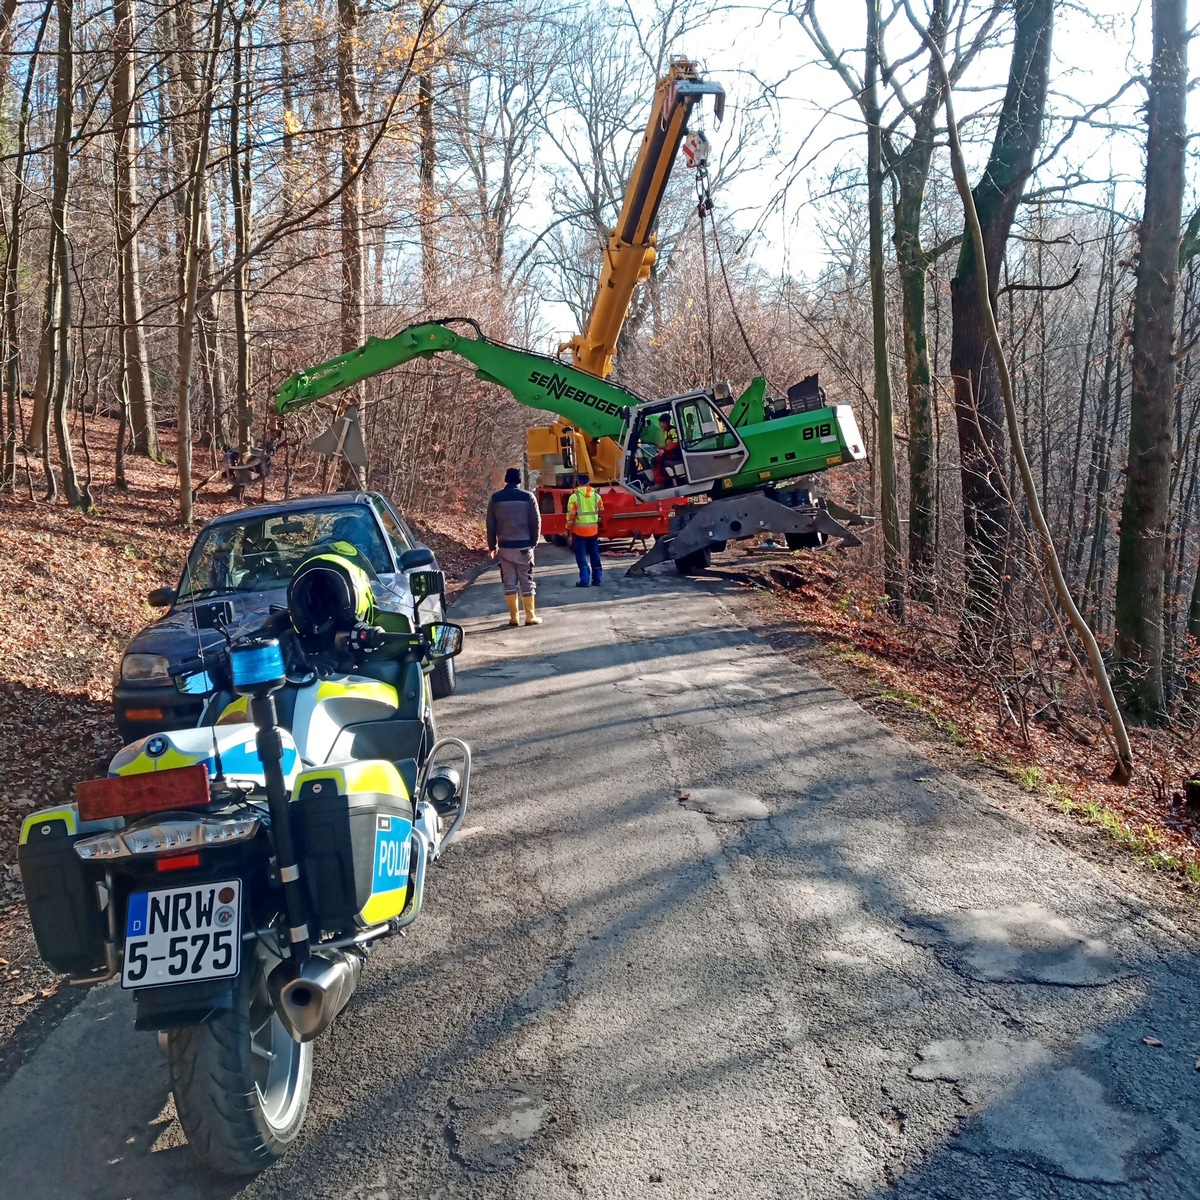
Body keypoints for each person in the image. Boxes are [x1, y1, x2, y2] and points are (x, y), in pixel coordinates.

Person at [486, 467, 542, 626]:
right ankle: (530, 617)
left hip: (504, 547)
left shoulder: (495, 499)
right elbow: (536, 522)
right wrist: (533, 542)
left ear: (506, 479)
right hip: (524, 546)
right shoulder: (528, 497)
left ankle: (514, 618)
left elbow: (490, 524)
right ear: (519, 480)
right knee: (526, 580)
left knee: (509, 581)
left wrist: (492, 546)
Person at [566, 473, 604, 587]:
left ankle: (584, 580)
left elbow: (571, 516)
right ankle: (597, 579)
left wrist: (568, 528)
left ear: (578, 483)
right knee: (594, 554)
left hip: (579, 532)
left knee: (581, 555)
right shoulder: (596, 496)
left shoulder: (574, 497)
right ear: (589, 483)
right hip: (593, 531)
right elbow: (601, 509)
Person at [652, 414, 682, 487]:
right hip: (671, 453)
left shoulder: (672, 430)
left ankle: (659, 482)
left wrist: (664, 450)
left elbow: (676, 443)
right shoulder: (667, 432)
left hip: (675, 455)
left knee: (655, 460)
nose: (660, 425)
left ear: (665, 423)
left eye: (661, 423)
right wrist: (660, 447)